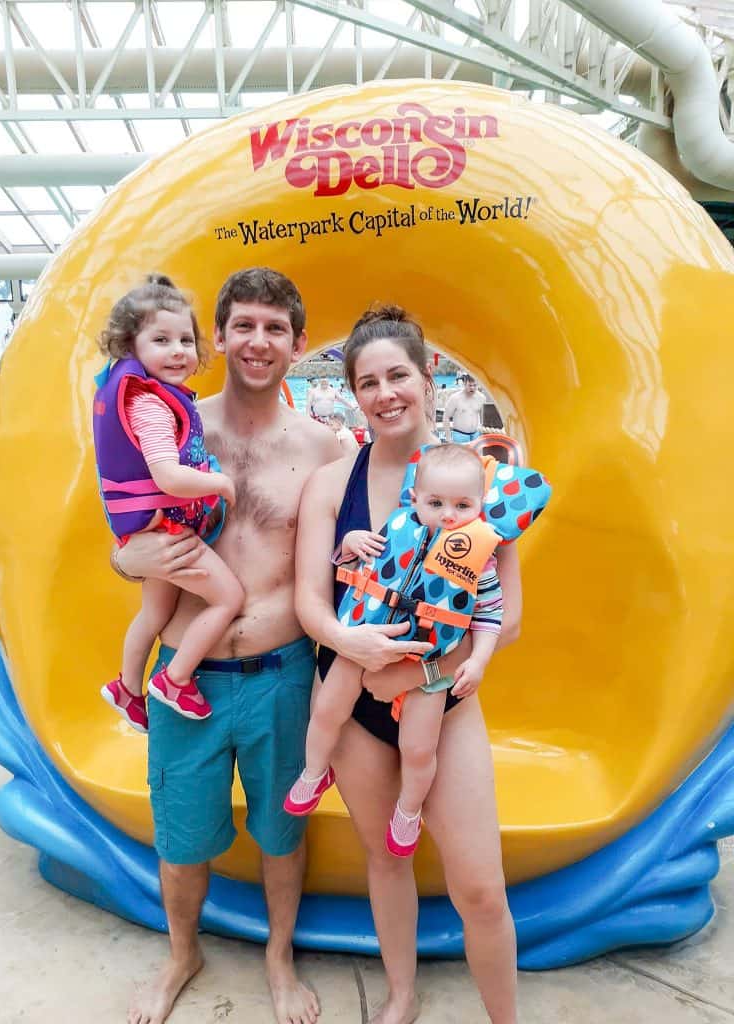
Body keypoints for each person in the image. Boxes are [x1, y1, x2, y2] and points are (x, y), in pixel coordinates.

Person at [114, 268, 340, 1024]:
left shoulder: (323, 446)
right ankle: (182, 953)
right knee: (180, 831)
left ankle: (278, 956)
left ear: (299, 345)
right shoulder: (169, 427)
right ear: (217, 337)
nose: (258, 340)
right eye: (243, 324)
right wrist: (127, 560)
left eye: (276, 328)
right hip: (189, 674)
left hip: (282, 672)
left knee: (281, 828)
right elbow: (124, 537)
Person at [295, 306, 521, 1024]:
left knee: (481, 888)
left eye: (398, 374)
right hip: (356, 703)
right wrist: (353, 645)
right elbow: (311, 604)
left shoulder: (481, 483)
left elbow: (506, 616)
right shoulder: (333, 485)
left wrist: (422, 669)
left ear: (427, 377)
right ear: (353, 395)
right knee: (385, 858)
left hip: (440, 701)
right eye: (368, 381)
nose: (386, 392)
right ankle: (401, 993)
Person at [285, 443, 503, 862]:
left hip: (426, 663)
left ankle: (408, 810)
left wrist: (478, 660)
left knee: (419, 750)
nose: (448, 515)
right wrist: (349, 540)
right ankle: (314, 773)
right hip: (366, 640)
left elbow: (491, 617)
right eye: (436, 503)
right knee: (327, 710)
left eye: (463, 505)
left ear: (480, 506)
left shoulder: (482, 559)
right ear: (415, 499)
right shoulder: (396, 527)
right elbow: (345, 566)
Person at [95, 275, 243, 731]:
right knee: (228, 598)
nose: (177, 350)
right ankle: (175, 680)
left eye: (184, 339)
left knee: (154, 612)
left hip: (149, 526)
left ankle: (127, 688)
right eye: (161, 340)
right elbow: (167, 475)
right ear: (129, 346)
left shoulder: (145, 396)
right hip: (168, 529)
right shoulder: (151, 405)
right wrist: (219, 483)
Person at [443, 374, 487, 443]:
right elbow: (446, 417)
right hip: (460, 435)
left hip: (475, 435)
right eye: (470, 385)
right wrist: (448, 438)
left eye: (474, 385)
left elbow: (483, 418)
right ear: (464, 384)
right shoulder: (455, 398)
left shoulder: (481, 398)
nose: (472, 388)